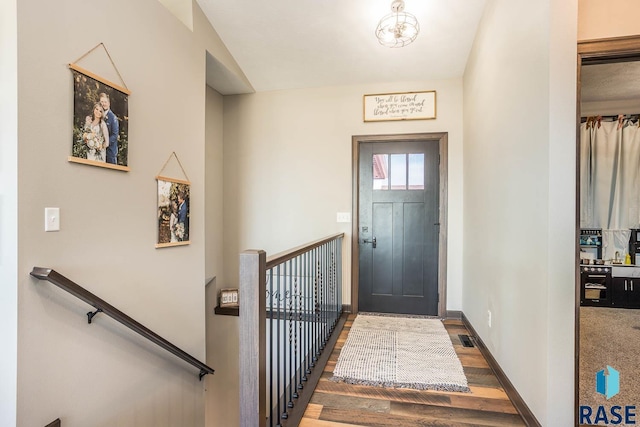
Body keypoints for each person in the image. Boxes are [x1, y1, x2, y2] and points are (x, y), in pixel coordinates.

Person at [99, 92, 119, 165]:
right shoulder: (98, 115)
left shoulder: (113, 117)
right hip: (99, 150)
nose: (103, 104)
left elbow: (114, 135)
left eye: (105, 102)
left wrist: (104, 143)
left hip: (110, 152)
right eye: (102, 102)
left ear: (109, 103)